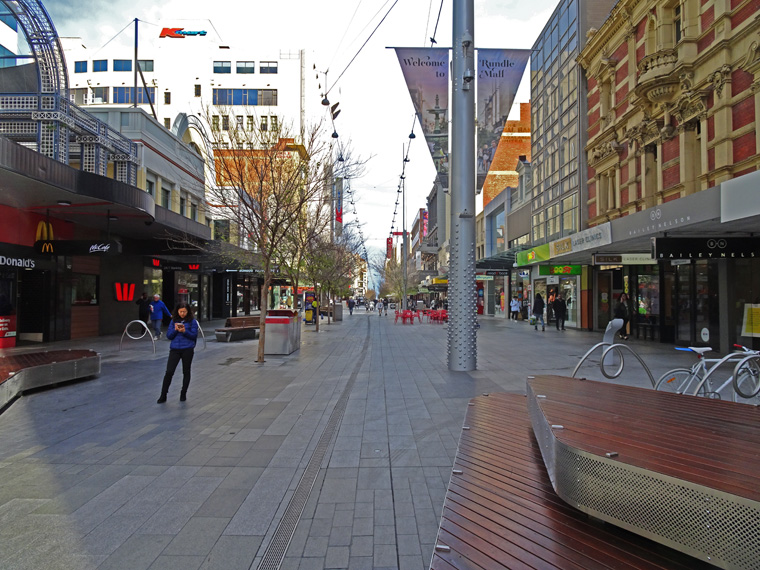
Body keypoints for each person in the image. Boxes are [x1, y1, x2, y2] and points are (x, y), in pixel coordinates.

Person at [157, 303, 198, 404]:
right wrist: (176, 330)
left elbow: (194, 336)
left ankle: (183, 393)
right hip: (175, 349)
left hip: (187, 349)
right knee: (169, 372)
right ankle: (163, 394)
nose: (182, 313)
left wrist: (184, 331)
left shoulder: (192, 322)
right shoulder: (173, 321)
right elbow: (169, 336)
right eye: (180, 311)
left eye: (184, 311)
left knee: (186, 371)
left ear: (188, 311)